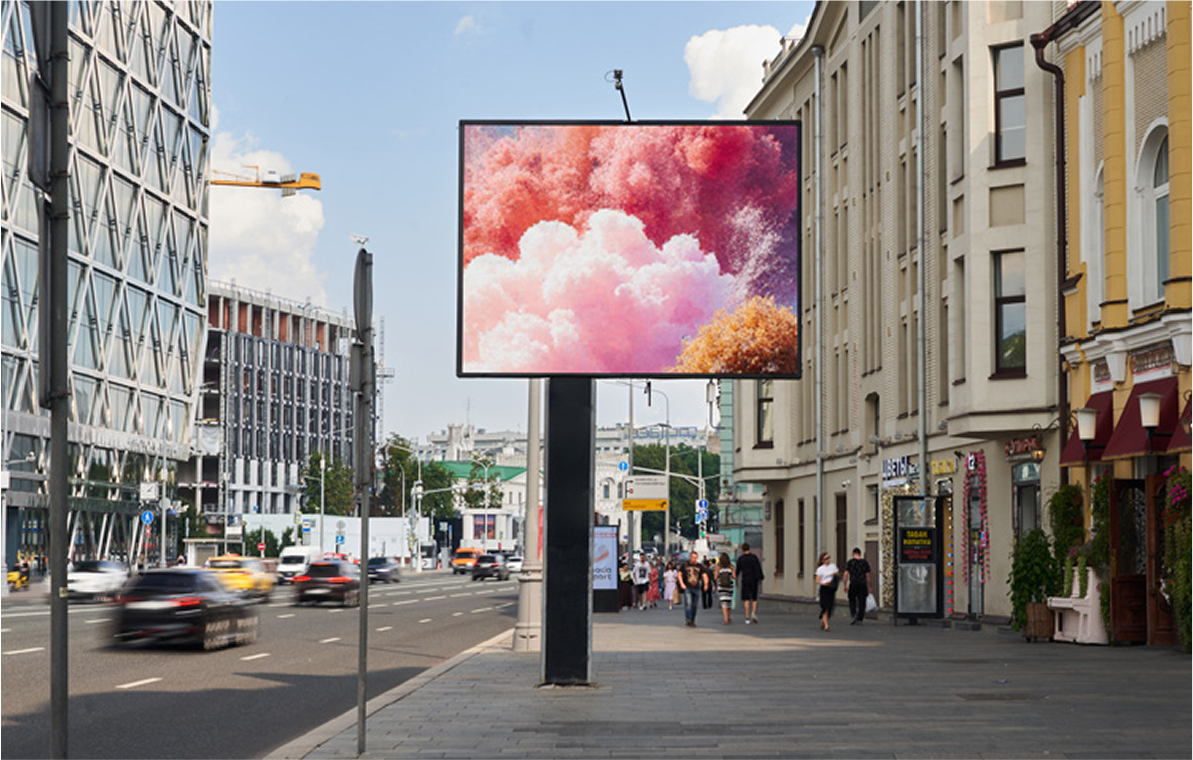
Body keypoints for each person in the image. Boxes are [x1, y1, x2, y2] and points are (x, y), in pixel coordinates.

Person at [735, 542, 764, 625]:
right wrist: (760, 578)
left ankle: (747, 618)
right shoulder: (754, 558)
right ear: (749, 548)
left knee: (746, 599)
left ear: (742, 550)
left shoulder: (741, 559)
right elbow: (758, 568)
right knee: (754, 598)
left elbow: (737, 571)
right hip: (754, 579)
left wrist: (736, 581)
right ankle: (753, 613)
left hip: (745, 580)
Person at [678, 551, 708, 627]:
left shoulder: (700, 566)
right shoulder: (685, 565)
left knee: (694, 605)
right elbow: (680, 574)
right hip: (687, 587)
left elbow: (704, 575)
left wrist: (706, 584)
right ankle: (688, 619)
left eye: (695, 558)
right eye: (692, 557)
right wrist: (682, 584)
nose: (694, 559)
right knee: (688, 603)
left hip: (697, 587)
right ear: (690, 557)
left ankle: (692, 619)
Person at [844, 547, 872, 625]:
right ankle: (860, 619)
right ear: (860, 554)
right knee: (862, 602)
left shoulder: (850, 562)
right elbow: (868, 576)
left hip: (853, 583)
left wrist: (845, 585)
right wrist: (869, 586)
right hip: (862, 584)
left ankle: (854, 614)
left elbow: (845, 574)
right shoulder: (864, 563)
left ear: (853, 554)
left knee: (852, 600)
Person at [815, 552, 841, 631]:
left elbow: (838, 575)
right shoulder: (820, 569)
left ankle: (823, 619)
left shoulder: (833, 566)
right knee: (825, 607)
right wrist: (823, 583)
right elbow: (817, 580)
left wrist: (836, 574)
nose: (828, 560)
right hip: (824, 588)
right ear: (822, 560)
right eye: (826, 559)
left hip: (831, 588)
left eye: (828, 558)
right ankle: (826, 625)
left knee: (830, 607)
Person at [716, 552, 736, 625]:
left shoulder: (719, 567)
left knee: (723, 603)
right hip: (729, 587)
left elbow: (715, 577)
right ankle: (728, 617)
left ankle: (725, 619)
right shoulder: (731, 566)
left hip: (721, 587)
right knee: (728, 603)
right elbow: (734, 577)